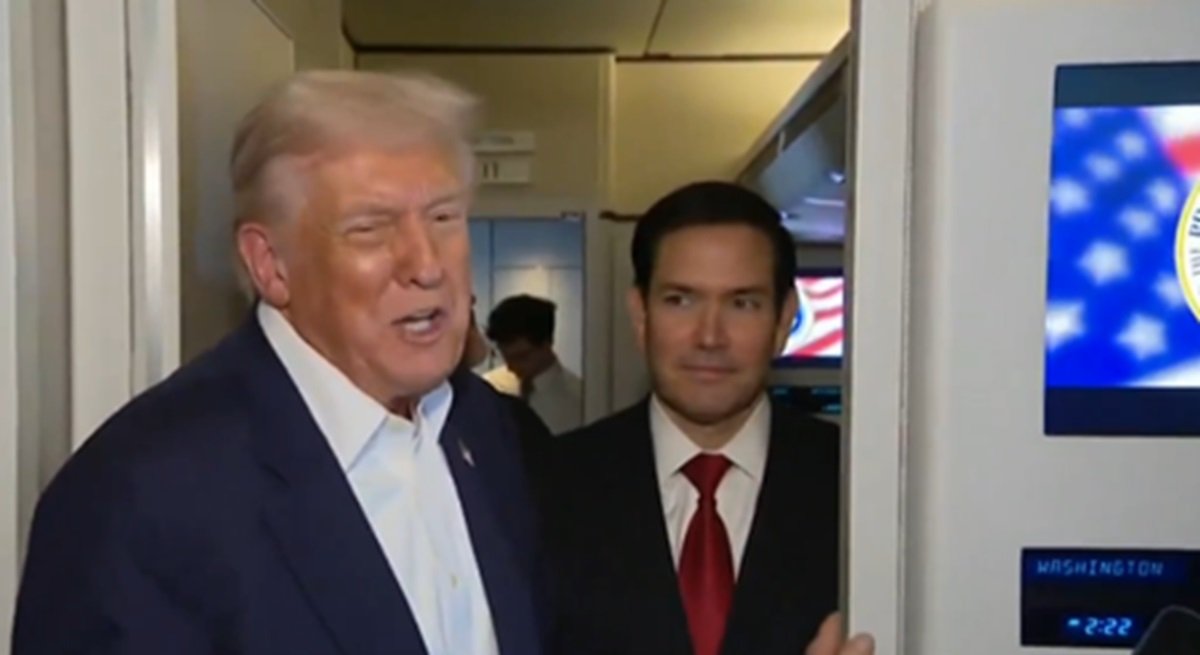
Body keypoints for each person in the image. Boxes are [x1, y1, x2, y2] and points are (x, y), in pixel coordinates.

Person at [12, 71, 545, 654]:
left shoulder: (490, 430)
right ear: (270, 264)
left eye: (444, 218)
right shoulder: (139, 496)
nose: (426, 264)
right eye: (370, 229)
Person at [539, 181, 872, 655]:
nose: (710, 336)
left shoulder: (856, 489)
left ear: (784, 321)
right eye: (681, 300)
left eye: (742, 303)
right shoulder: (551, 487)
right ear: (640, 314)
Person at [482, 294, 583, 434]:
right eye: (505, 357)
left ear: (547, 343)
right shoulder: (490, 387)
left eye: (521, 357)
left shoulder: (578, 400)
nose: (511, 367)